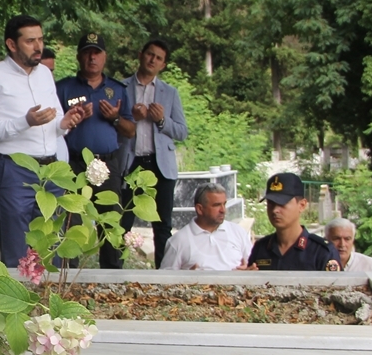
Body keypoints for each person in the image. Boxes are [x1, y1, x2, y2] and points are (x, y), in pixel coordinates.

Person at [0, 15, 84, 267]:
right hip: (15, 170)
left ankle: (50, 303)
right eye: (30, 41)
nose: (38, 46)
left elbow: (56, 120)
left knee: (53, 242)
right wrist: (25, 121)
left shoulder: (45, 75)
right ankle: (16, 304)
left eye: (40, 39)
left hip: (51, 169)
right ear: (11, 44)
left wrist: (65, 122)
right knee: (17, 247)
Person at [55, 32, 135, 269]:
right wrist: (74, 119)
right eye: (87, 52)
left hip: (107, 164)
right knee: (72, 222)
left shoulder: (117, 89)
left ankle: (112, 277)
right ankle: (68, 276)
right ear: (79, 56)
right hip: (74, 163)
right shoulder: (63, 88)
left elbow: (130, 130)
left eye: (97, 52)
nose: (92, 58)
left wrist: (115, 118)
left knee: (110, 221)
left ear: (104, 57)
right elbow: (52, 127)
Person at [119, 39, 188, 268]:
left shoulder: (170, 93)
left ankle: (163, 275)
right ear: (141, 55)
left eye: (158, 58)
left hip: (161, 165)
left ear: (163, 65)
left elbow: (181, 131)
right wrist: (132, 118)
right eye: (150, 54)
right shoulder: (121, 87)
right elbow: (113, 126)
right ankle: (114, 273)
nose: (152, 60)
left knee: (162, 224)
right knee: (122, 221)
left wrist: (161, 121)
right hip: (131, 162)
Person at [246, 173, 340, 271]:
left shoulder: (321, 252)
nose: (275, 210)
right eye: (271, 203)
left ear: (302, 205)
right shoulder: (261, 248)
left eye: (282, 203)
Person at [160, 183, 252, 270]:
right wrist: (186, 278)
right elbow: (164, 280)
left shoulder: (238, 232)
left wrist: (247, 272)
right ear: (200, 209)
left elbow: (253, 268)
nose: (223, 210)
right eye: (217, 205)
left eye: (224, 204)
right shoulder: (178, 241)